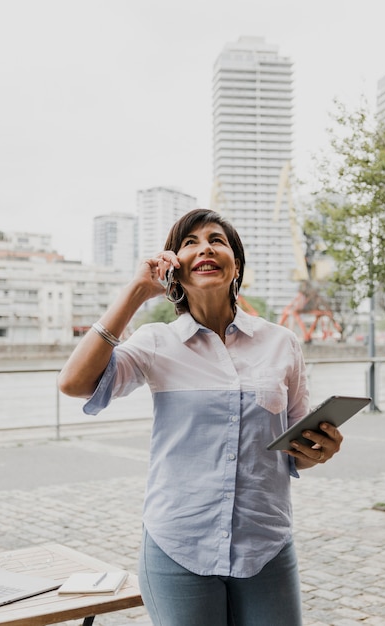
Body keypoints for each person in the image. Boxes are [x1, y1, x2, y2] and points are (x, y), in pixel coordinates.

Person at [58, 208, 343, 626]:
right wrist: (136, 292)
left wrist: (318, 450)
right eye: (189, 242)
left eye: (216, 240)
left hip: (265, 547)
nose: (204, 247)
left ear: (236, 265)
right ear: (174, 269)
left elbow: (296, 450)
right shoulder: (156, 341)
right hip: (179, 547)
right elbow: (73, 383)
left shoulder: (282, 343)